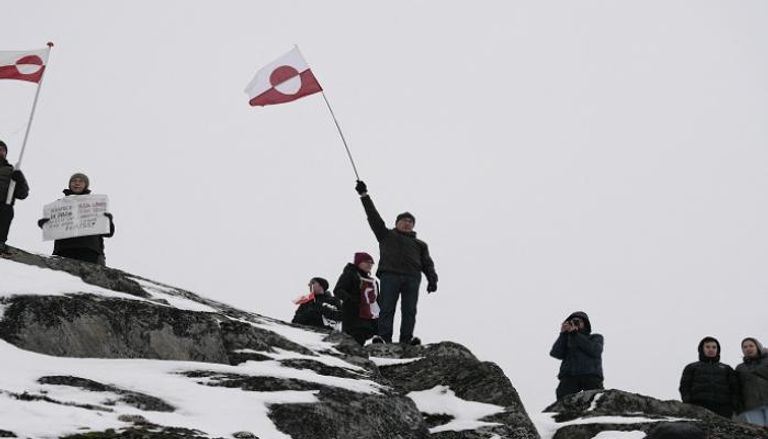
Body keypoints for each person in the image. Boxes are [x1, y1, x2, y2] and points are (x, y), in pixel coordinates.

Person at [354, 180, 438, 345]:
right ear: (397, 223)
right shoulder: (386, 235)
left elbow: (428, 264)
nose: (407, 223)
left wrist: (432, 280)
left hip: (412, 278)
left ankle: (406, 339)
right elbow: (373, 216)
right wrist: (364, 195)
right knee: (386, 307)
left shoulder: (420, 244)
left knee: (409, 310)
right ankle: (383, 337)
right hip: (390, 275)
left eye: (410, 221)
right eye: (404, 220)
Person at [38, 173, 115, 265]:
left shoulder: (95, 204)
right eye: (74, 181)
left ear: (86, 185)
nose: (77, 183)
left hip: (90, 252)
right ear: (70, 184)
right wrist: (45, 224)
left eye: (81, 181)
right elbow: (53, 229)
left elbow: (109, 233)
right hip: (63, 250)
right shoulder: (58, 205)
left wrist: (108, 221)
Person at [679, 336, 740, 418]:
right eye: (707, 347)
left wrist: (733, 406)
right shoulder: (691, 367)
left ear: (718, 350)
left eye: (714, 347)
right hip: (698, 407)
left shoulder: (727, 368)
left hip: (723, 408)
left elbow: (735, 389)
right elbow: (684, 387)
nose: (711, 349)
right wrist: (688, 403)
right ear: (702, 349)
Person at [549, 311, 604, 400]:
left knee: (597, 400)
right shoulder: (567, 340)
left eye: (579, 321)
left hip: (591, 375)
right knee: (563, 402)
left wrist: (575, 334)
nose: (575, 323)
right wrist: (563, 334)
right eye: (572, 321)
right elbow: (555, 353)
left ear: (585, 324)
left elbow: (595, 350)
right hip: (569, 376)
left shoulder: (595, 337)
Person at [333, 252, 380, 346]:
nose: (369, 265)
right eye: (366, 262)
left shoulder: (373, 282)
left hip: (370, 319)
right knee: (354, 343)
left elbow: (376, 299)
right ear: (358, 262)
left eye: (371, 263)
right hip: (353, 317)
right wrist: (352, 300)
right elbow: (338, 290)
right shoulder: (350, 274)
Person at [0, 140, 29, 255]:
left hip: (3, 205)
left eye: (2, 149)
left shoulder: (12, 171)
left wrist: (19, 179)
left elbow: (23, 194)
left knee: (5, 211)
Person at [735, 337, 768, 426]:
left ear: (757, 347)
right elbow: (738, 388)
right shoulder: (740, 368)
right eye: (745, 347)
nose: (748, 349)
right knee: (758, 431)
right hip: (751, 407)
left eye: (751, 346)